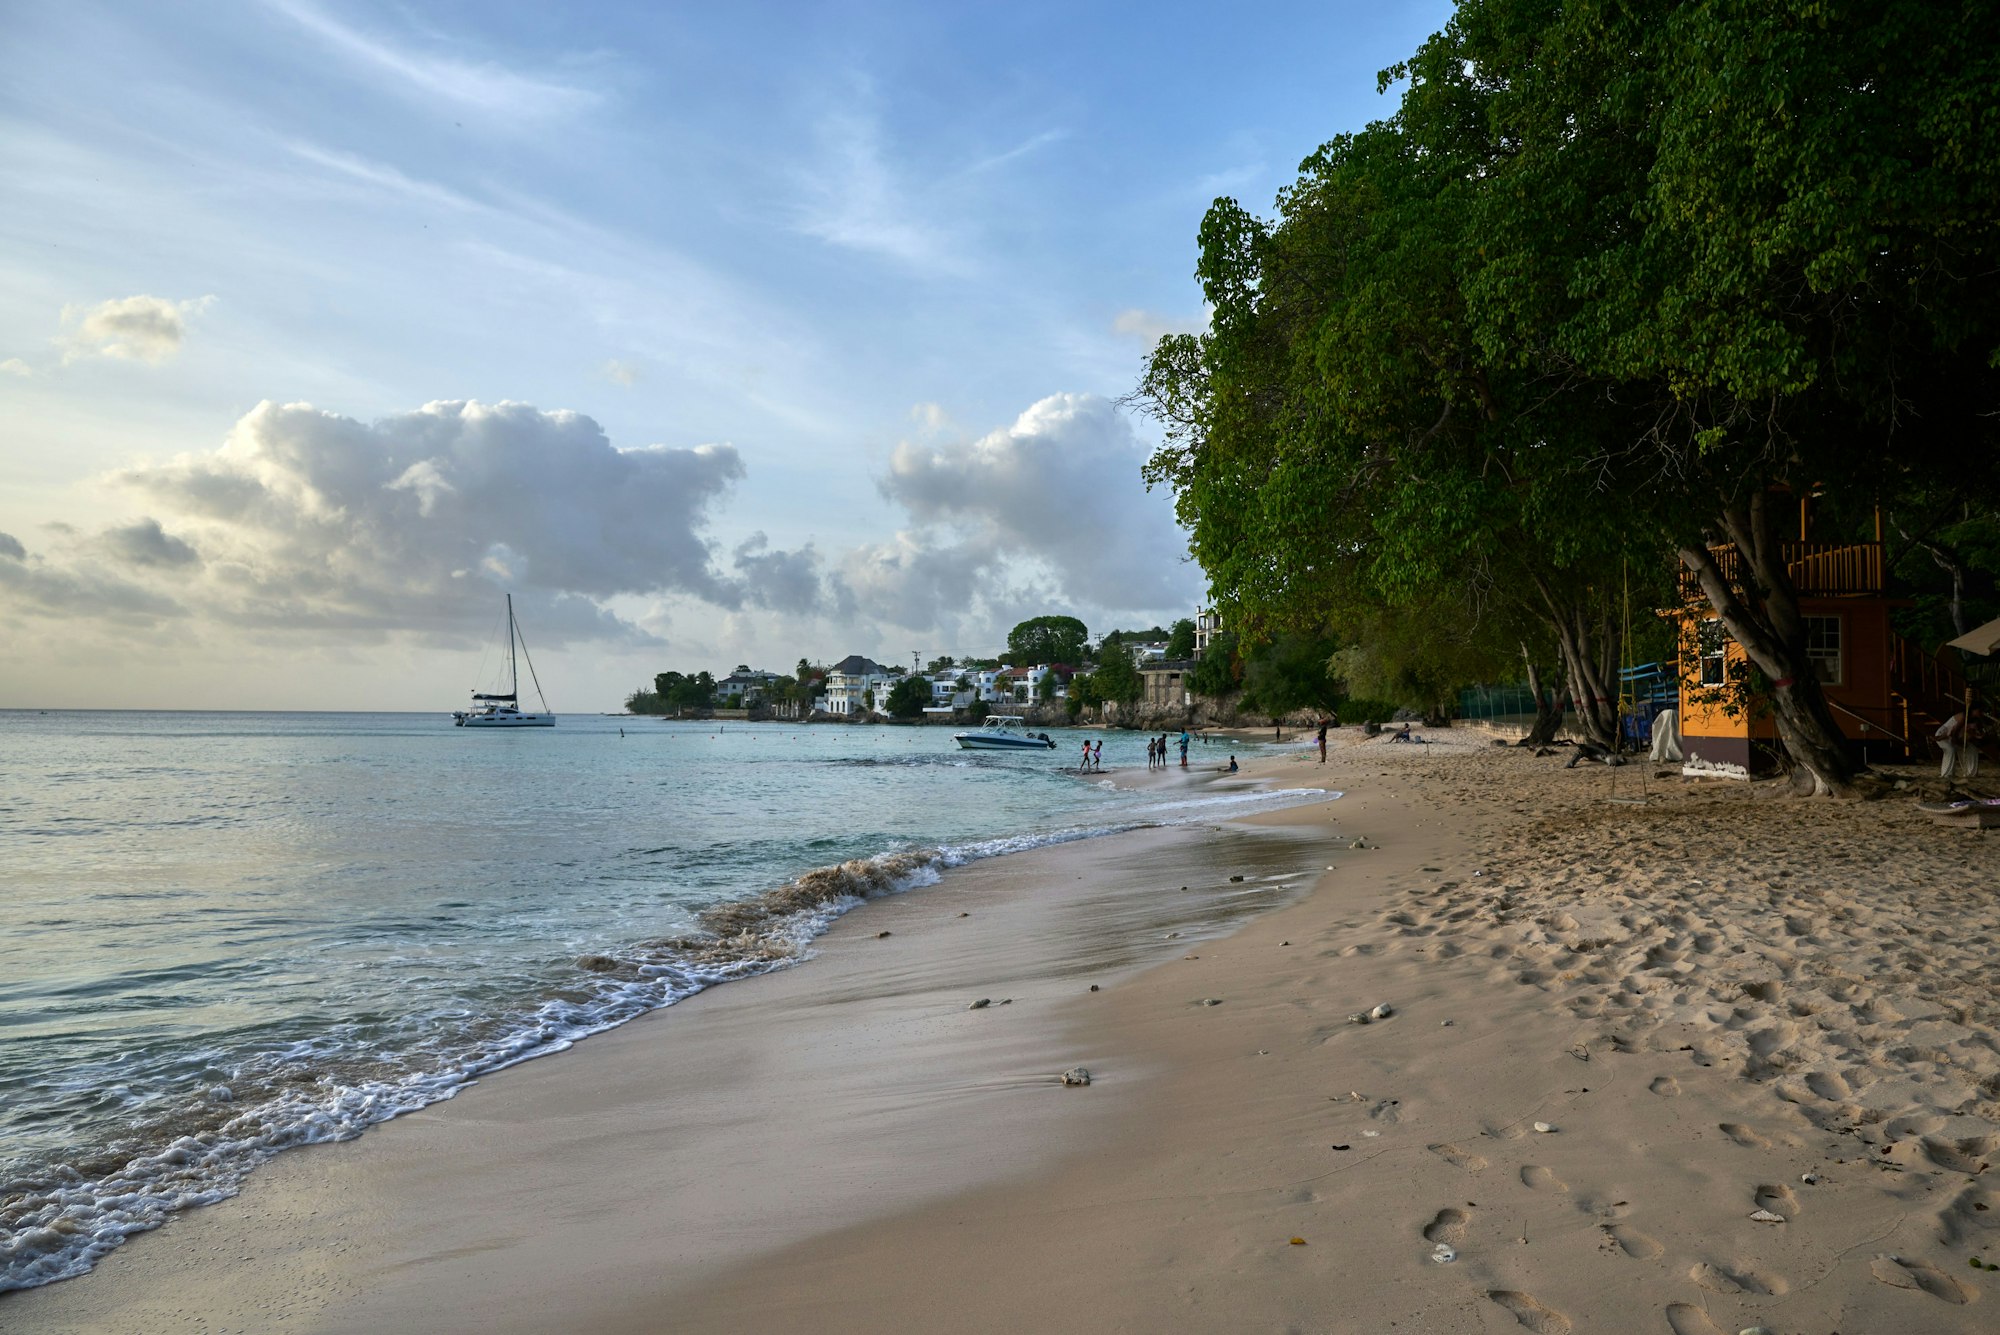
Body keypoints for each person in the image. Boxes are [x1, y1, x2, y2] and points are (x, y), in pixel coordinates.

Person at [1937, 705, 1984, 780]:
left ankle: (1970, 773)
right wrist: (1958, 743)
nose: (1980, 712)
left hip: (1957, 737)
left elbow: (1972, 733)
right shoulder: (1963, 717)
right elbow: (1954, 732)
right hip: (1945, 735)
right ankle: (1947, 774)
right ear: (1973, 710)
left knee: (1972, 749)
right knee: (1950, 750)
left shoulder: (1975, 719)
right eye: (1979, 710)